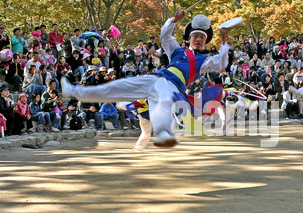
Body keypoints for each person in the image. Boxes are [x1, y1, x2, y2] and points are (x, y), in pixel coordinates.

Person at [62, 10, 230, 147]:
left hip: (173, 86)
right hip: (155, 78)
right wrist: (173, 20)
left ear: (206, 41)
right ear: (189, 38)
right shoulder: (177, 51)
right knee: (118, 87)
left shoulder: (205, 61)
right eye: (195, 36)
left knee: (162, 101)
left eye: (202, 37)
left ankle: (164, 134)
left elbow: (222, 62)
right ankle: (76, 91)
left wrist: (224, 40)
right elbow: (164, 37)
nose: (198, 39)